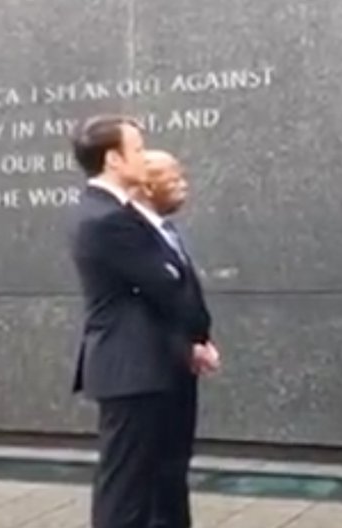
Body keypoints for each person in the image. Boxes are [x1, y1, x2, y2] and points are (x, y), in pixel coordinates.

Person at [66, 115, 219, 528]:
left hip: (151, 365)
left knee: (160, 481)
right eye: (136, 148)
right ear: (114, 159)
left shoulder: (114, 213)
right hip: (132, 369)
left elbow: (169, 278)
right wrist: (197, 335)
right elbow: (165, 282)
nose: (143, 155)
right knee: (127, 491)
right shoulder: (106, 218)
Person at [131, 149, 219, 528]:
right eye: (174, 175)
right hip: (154, 368)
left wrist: (201, 339)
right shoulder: (134, 237)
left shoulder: (165, 232)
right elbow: (146, 310)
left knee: (174, 465)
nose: (184, 183)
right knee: (157, 471)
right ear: (147, 185)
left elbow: (184, 296)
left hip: (179, 368)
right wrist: (186, 348)